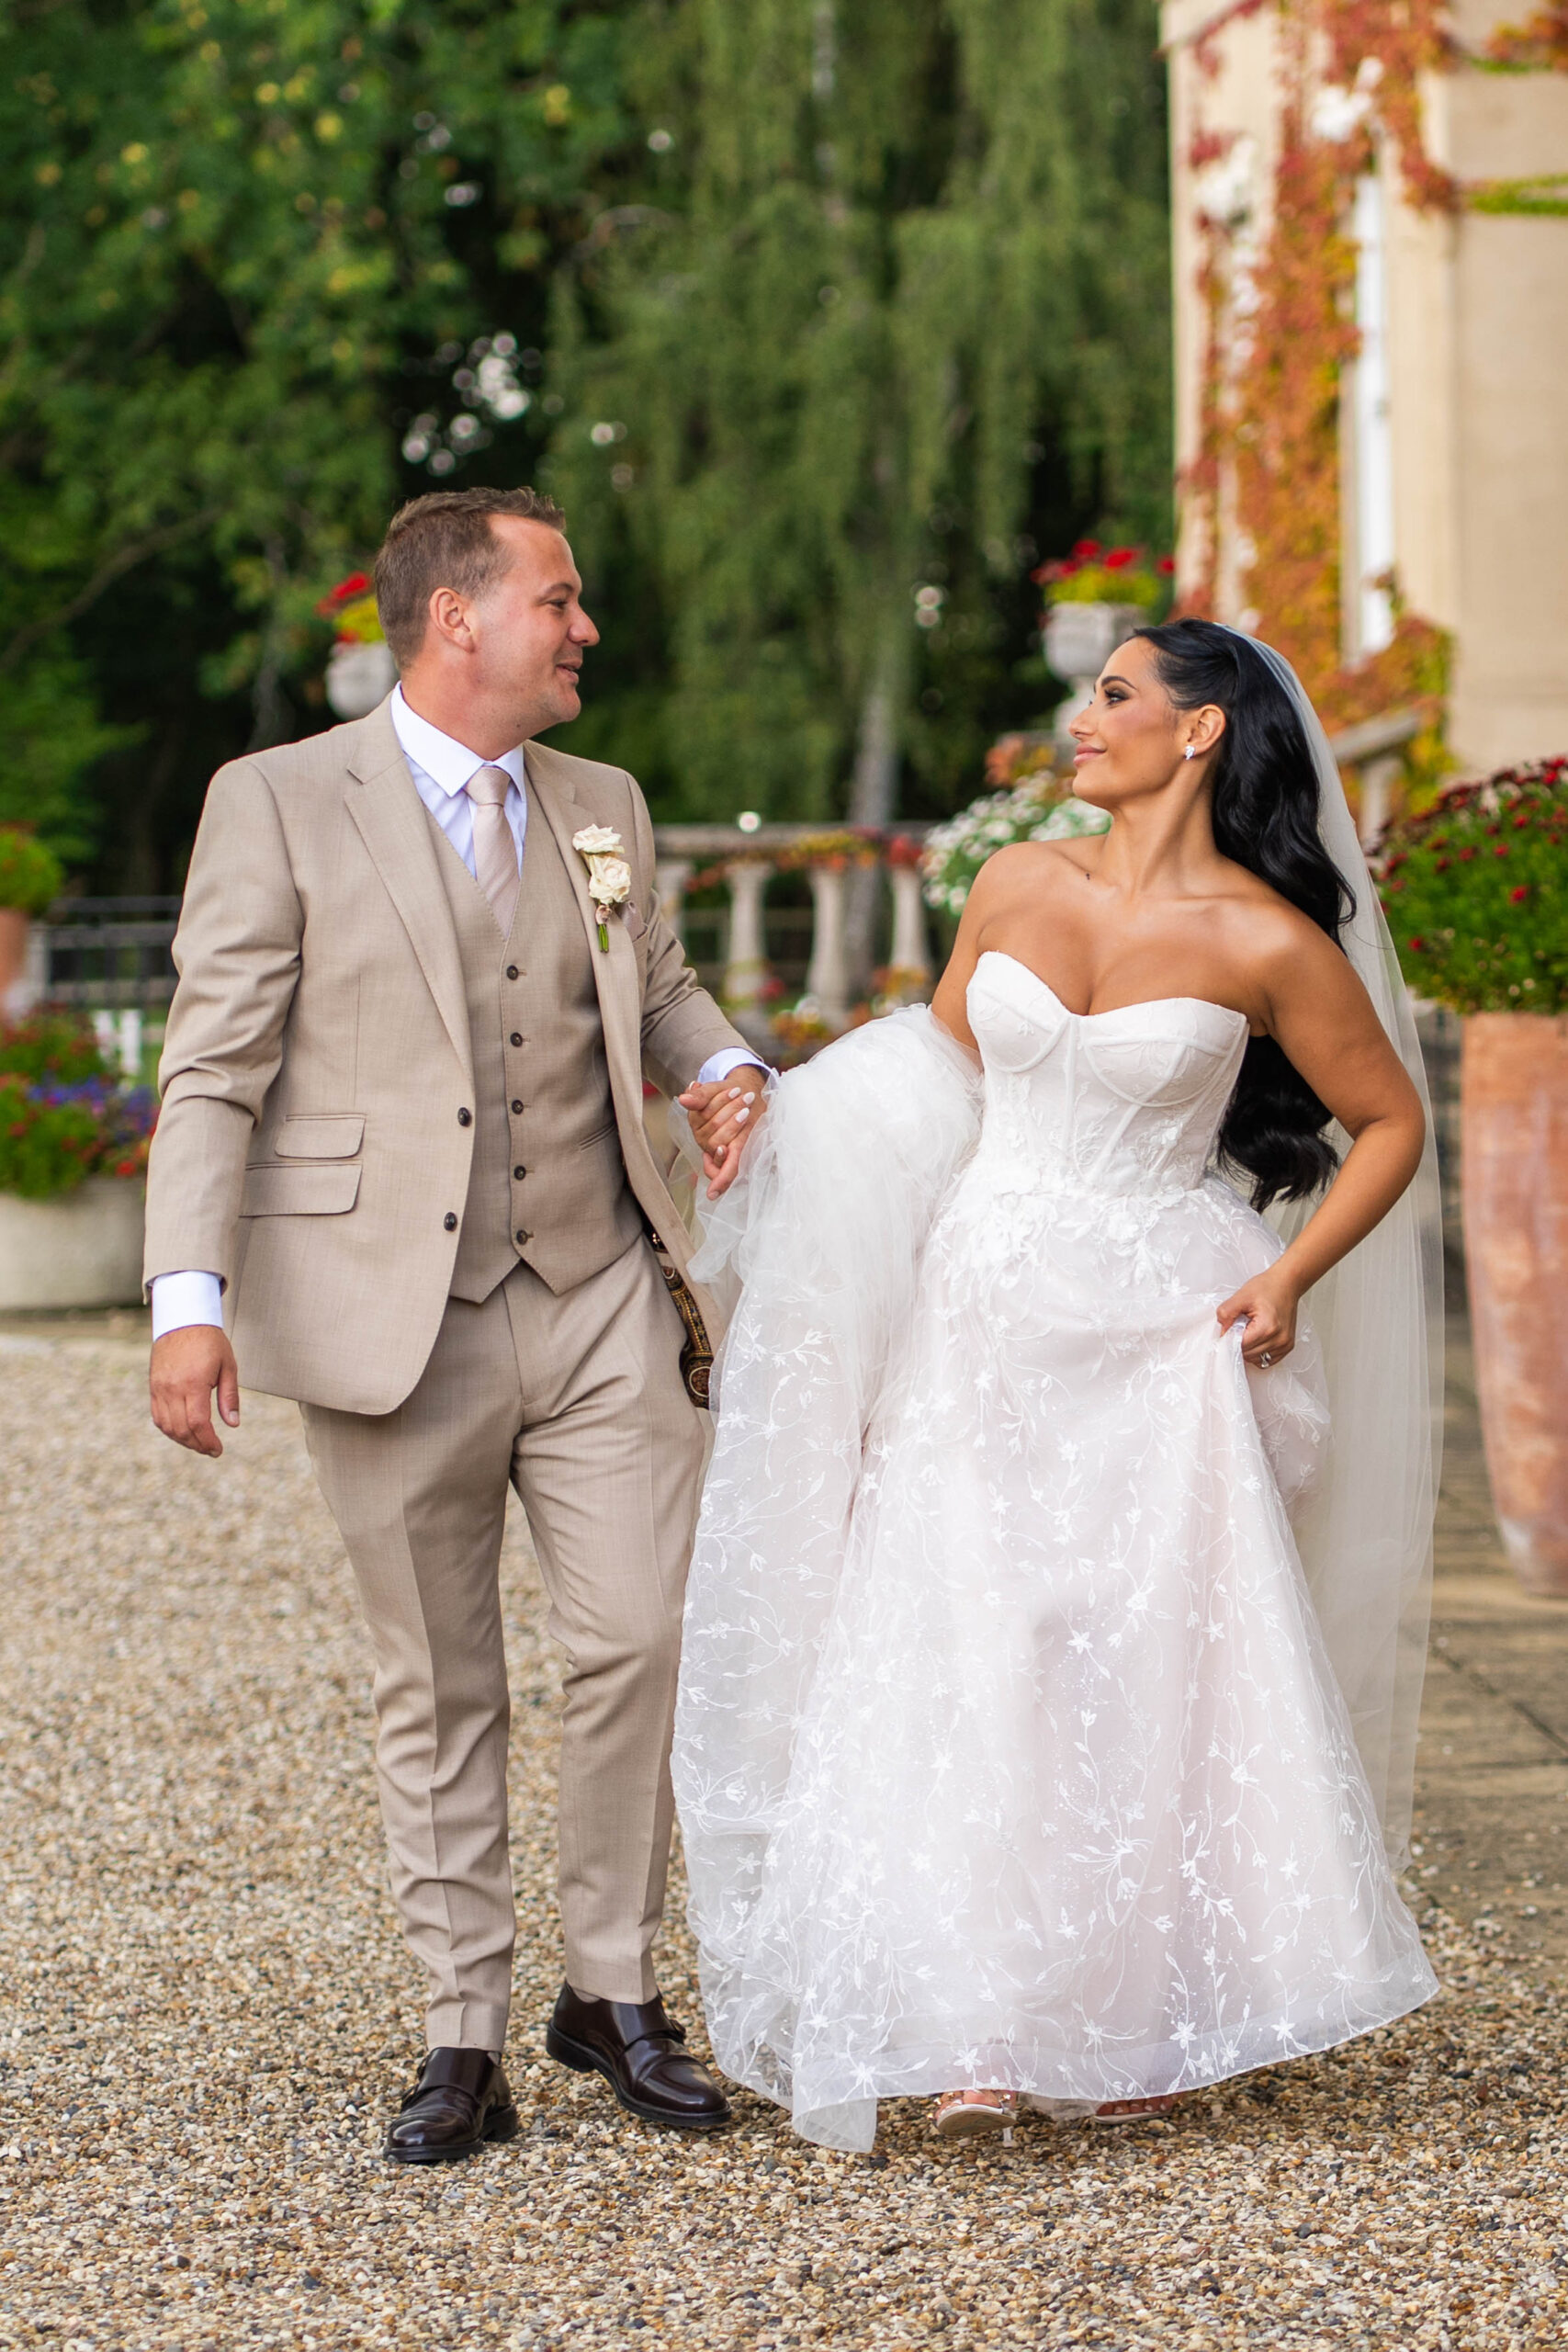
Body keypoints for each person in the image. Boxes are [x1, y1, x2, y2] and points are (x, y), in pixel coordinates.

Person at [672, 618, 1441, 2152]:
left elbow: (1392, 1124)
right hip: (984, 1309)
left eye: (1113, 698)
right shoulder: (1017, 883)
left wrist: (1286, 1274)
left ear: (1202, 730)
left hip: (1162, 1332)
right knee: (975, 1633)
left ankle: (1141, 2005)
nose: (1081, 723)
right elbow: (935, 1066)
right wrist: (780, 1115)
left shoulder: (1267, 942)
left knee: (1137, 1658)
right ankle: (971, 2014)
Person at [144, 486, 769, 2161]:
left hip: (601, 1289)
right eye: (558, 600)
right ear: (457, 619)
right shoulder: (276, 801)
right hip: (383, 1311)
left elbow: (655, 984)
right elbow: (211, 1067)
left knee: (637, 1638)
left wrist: (719, 1067)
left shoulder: (605, 799)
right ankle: (461, 2032)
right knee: (439, 1678)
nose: (583, 629)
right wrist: (187, 1302)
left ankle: (615, 1990)